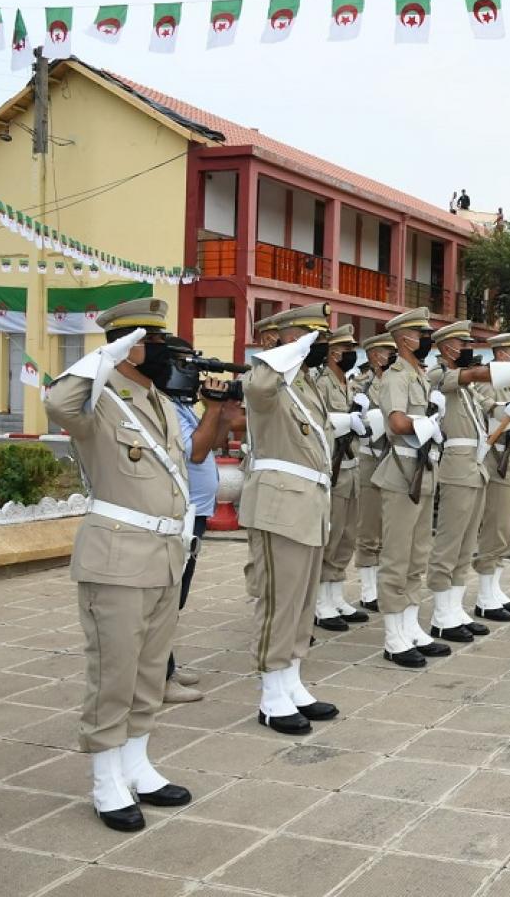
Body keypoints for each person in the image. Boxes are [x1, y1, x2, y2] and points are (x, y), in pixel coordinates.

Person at [45, 298, 193, 832]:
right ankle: (106, 778)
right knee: (114, 671)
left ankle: (137, 765)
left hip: (164, 554)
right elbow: (57, 403)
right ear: (129, 348)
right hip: (116, 556)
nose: (164, 351)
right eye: (152, 343)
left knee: (150, 671)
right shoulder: (99, 399)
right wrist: (104, 357)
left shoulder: (159, 401)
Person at [239, 303, 340, 735]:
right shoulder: (266, 378)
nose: (316, 344)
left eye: (319, 336)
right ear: (279, 340)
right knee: (279, 601)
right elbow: (260, 386)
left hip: (310, 503)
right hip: (279, 505)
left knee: (301, 602)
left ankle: (292, 680)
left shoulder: (306, 384)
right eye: (306, 335)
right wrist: (286, 348)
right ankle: (271, 694)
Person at [423, 320, 510, 641]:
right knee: (449, 542)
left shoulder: (466, 387)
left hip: (475, 467)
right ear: (446, 347)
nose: (469, 348)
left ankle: (454, 609)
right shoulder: (439, 375)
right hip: (456, 468)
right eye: (463, 343)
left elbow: (489, 407)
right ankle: (441, 614)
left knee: (466, 544)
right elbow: (466, 378)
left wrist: (507, 408)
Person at [158, 335, 240, 705]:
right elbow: (195, 453)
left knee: (177, 596)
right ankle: (158, 677)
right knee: (168, 598)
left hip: (196, 512)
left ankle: (166, 666)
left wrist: (221, 412)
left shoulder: (182, 405)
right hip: (180, 513)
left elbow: (214, 443)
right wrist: (212, 407)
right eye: (186, 365)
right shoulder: (167, 406)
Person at [372, 308, 447, 667]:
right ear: (405, 339)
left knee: (418, 555)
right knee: (397, 556)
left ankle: (410, 625)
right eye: (422, 334)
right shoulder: (396, 377)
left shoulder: (419, 376)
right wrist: (427, 422)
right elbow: (398, 423)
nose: (427, 339)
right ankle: (392, 636)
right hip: (402, 472)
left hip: (424, 469)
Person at [470, 330, 510, 620]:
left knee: (507, 530)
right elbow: (483, 419)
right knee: (495, 527)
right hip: (497, 461)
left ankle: (494, 589)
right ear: (500, 354)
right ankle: (484, 596)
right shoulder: (489, 383)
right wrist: (507, 419)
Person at [311, 325, 370, 632]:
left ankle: (335, 594)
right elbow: (317, 423)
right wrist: (346, 421)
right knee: (331, 534)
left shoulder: (346, 384)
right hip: (333, 468)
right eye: (346, 349)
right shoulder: (322, 384)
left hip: (351, 468)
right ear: (333, 353)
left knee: (347, 535)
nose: (351, 354)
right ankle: (320, 600)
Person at [352, 332, 396, 611]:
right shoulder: (360, 386)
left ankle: (383, 582)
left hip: (395, 460)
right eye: (387, 353)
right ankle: (369, 590)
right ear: (374, 356)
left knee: (389, 526)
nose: (392, 357)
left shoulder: (397, 382)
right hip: (370, 459)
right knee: (369, 526)